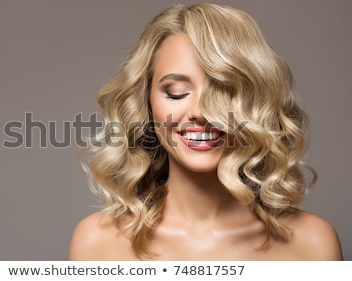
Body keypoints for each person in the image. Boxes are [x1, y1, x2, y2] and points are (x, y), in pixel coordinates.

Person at [68, 2, 343, 260]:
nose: (200, 111)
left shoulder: (314, 244)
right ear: (147, 104)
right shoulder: (96, 242)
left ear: (256, 103)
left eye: (224, 91)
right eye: (176, 93)